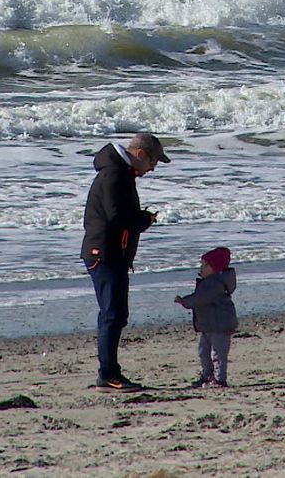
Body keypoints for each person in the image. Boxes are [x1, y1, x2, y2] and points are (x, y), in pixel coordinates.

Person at [81, 132, 170, 392]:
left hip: (111, 254)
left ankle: (109, 371)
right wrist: (144, 220)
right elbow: (117, 217)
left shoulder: (122, 173)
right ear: (140, 154)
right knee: (112, 314)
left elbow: (119, 216)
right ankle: (107, 374)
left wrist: (140, 219)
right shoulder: (114, 174)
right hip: (103, 254)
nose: (152, 169)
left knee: (115, 314)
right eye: (153, 162)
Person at [175, 247, 238, 388]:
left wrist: (184, 301)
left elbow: (200, 299)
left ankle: (220, 379)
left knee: (218, 354)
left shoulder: (214, 284)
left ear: (215, 268)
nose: (201, 268)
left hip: (220, 325)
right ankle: (207, 375)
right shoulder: (210, 282)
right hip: (209, 325)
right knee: (204, 351)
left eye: (205, 265)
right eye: (201, 265)